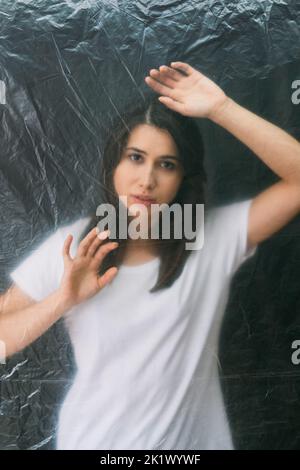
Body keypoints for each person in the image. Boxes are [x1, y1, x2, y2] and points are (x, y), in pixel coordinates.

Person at [1, 61, 300, 450]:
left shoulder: (210, 238)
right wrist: (63, 299)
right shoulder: (73, 245)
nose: (147, 180)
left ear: (183, 178)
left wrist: (221, 108)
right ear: (114, 164)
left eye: (167, 164)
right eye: (136, 157)